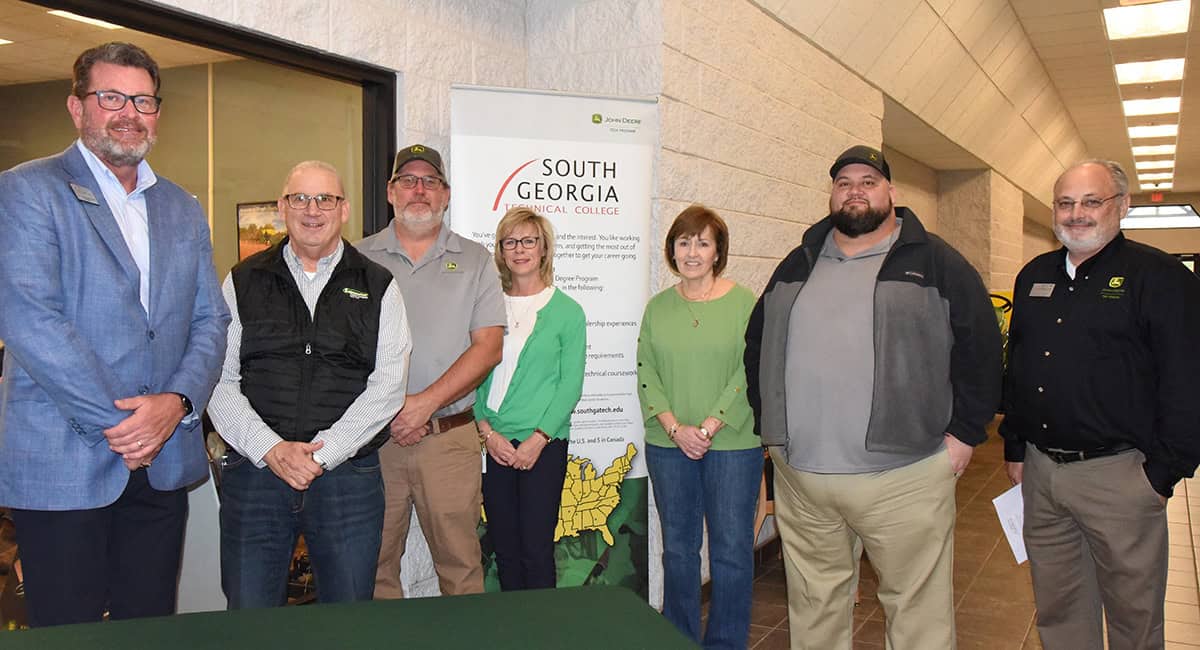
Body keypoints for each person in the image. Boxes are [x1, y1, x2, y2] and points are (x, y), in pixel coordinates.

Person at [0, 42, 229, 626]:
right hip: (67, 458)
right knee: (68, 630)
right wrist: (126, 425)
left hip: (162, 462)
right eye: (111, 97)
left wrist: (175, 405)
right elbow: (32, 321)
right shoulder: (28, 190)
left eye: (144, 100)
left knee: (148, 624)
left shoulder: (182, 207)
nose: (129, 112)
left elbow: (210, 320)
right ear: (77, 108)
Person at [745, 145, 1002, 649]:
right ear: (832, 194)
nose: (855, 190)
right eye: (844, 182)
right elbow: (757, 344)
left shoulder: (935, 261)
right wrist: (769, 430)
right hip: (805, 481)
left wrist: (966, 434)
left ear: (891, 192)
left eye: (868, 180)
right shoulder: (798, 262)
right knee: (814, 607)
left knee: (916, 615)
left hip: (904, 477)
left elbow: (982, 348)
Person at [1000, 160, 1200, 650]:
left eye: (1092, 201)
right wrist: (1016, 445)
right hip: (1043, 476)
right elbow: (1020, 366)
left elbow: (1188, 379)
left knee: (1134, 617)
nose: (1077, 214)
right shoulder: (1034, 276)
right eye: (1066, 203)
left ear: (1122, 206)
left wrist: (1161, 474)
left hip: (1121, 477)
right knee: (1059, 609)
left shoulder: (1160, 277)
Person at [207, 161, 411, 608]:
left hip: (346, 480)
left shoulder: (378, 285)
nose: (312, 210)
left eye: (326, 199)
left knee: (346, 619)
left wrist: (324, 452)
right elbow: (218, 380)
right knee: (250, 616)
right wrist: (270, 449)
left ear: (344, 210)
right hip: (257, 476)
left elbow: (388, 385)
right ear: (283, 207)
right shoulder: (242, 281)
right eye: (300, 198)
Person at [359, 144, 504, 597]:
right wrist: (389, 413)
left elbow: (489, 349)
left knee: (461, 569)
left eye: (430, 182)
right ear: (390, 192)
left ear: (446, 194)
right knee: (372, 567)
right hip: (373, 442)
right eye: (408, 180)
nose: (418, 190)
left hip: (449, 438)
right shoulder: (357, 260)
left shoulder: (477, 260)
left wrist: (423, 405)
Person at [637, 205, 761, 648]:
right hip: (668, 445)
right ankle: (680, 638)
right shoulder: (658, 307)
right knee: (678, 552)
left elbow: (748, 371)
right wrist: (675, 429)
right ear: (672, 249)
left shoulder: (744, 302)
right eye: (684, 242)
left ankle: (726, 643)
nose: (692, 252)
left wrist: (707, 428)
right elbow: (646, 370)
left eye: (702, 242)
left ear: (717, 251)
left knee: (730, 553)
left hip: (731, 445)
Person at [474, 207, 586, 591]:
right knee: (504, 549)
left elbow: (570, 385)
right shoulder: (487, 307)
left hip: (545, 444)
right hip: (496, 443)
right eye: (510, 242)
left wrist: (538, 440)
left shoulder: (568, 312)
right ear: (501, 252)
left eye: (528, 241)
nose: (519, 249)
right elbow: (473, 374)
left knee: (536, 549)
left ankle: (543, 633)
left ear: (543, 249)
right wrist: (487, 433)